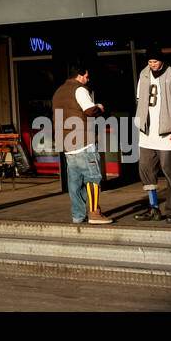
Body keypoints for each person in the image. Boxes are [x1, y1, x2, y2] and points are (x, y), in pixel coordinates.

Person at [133, 46, 171, 222]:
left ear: (161, 61)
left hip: (167, 134)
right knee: (146, 170)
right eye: (149, 62)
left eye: (155, 62)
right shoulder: (144, 74)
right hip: (147, 134)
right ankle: (153, 208)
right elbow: (139, 101)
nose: (152, 65)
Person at [52, 64, 112, 225]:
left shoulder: (58, 92)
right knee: (93, 178)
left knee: (74, 183)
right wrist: (99, 107)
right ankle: (94, 214)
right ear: (79, 76)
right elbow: (89, 111)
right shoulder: (80, 89)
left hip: (66, 144)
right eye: (86, 76)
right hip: (84, 142)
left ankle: (78, 215)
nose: (88, 79)